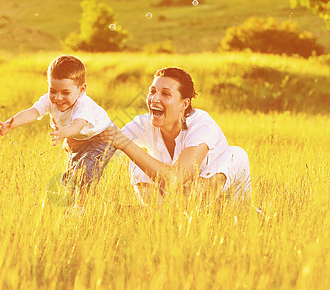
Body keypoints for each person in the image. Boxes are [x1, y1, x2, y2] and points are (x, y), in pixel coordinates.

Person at [94, 67, 251, 207]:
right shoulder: (144, 123)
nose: (154, 99)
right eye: (152, 91)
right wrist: (76, 138)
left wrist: (125, 144)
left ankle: (158, 212)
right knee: (136, 162)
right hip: (175, 210)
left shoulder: (202, 125)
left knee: (236, 154)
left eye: (166, 94)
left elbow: (176, 179)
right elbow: (103, 143)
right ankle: (159, 214)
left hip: (222, 209)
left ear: (184, 104)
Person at [0, 55, 115, 208]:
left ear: (81, 90)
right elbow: (32, 112)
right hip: (79, 140)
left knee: (85, 170)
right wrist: (11, 124)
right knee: (72, 176)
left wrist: (64, 132)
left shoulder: (84, 105)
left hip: (102, 138)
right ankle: (87, 204)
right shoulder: (49, 100)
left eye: (65, 93)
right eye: (52, 91)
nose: (58, 97)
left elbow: (78, 124)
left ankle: (80, 209)